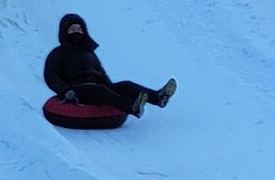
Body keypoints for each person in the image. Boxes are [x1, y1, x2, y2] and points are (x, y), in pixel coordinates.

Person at [44, 13, 176, 118]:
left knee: (125, 85)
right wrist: (65, 91)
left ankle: (158, 98)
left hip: (96, 87)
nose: (77, 32)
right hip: (76, 91)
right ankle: (132, 107)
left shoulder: (89, 53)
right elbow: (51, 75)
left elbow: (100, 72)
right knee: (100, 90)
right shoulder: (58, 53)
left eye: (79, 29)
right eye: (73, 30)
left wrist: (112, 87)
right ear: (65, 32)